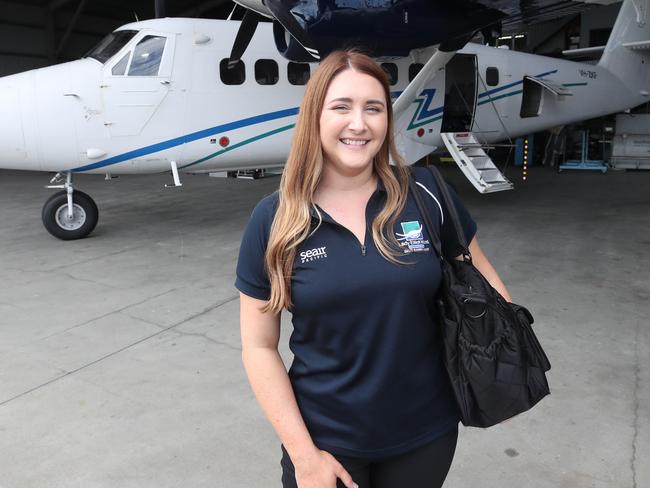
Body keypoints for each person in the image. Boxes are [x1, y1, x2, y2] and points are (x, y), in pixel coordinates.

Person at [235, 50, 512, 488]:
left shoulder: (426, 193)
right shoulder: (275, 220)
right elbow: (259, 347)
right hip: (325, 440)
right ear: (315, 116)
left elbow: (488, 284)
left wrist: (499, 359)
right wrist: (304, 455)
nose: (359, 124)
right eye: (341, 107)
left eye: (374, 108)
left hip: (426, 433)